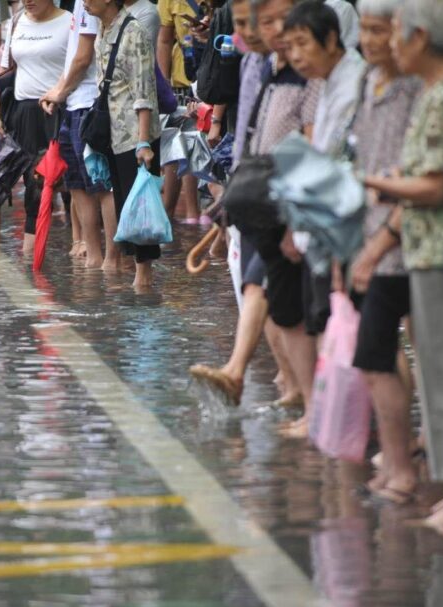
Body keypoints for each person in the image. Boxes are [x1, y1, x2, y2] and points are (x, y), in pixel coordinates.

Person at [363, 0, 443, 530]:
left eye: (396, 33)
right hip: (433, 252)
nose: (391, 44)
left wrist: (373, 182)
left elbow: (434, 186)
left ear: (421, 38)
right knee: (440, 372)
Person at [189, 0, 319, 411]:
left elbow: (313, 142)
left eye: (260, 22)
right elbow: (248, 134)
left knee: (267, 291)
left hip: (289, 199)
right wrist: (234, 195)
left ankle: (244, 371)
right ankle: (289, 383)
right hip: (254, 195)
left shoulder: (309, 74)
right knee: (262, 292)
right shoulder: (255, 65)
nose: (248, 33)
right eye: (243, 24)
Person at [347, 0, 422, 504]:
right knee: (374, 357)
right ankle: (397, 462)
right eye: (367, 31)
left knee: (385, 354)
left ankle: (404, 467)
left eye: (382, 31)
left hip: (405, 246)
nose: (372, 42)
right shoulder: (367, 88)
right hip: (369, 241)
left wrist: (375, 248)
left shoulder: (418, 92)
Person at [277, 0, 364, 438]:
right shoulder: (326, 82)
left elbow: (341, 163)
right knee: (327, 326)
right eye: (288, 45)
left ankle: (357, 426)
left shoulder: (356, 82)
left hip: (345, 232)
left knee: (365, 340)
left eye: (302, 43)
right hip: (322, 228)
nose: (294, 54)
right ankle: (335, 419)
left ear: (333, 40)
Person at [84, 0, 163, 290]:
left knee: (140, 207)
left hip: (135, 136)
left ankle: (144, 279)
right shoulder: (102, 30)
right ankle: (137, 276)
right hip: (114, 136)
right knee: (124, 207)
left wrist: (144, 142)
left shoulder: (134, 32)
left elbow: (144, 91)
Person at [41, 0, 118, 270]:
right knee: (76, 183)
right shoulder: (76, 3)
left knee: (100, 183)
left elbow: (84, 56)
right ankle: (94, 254)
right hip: (73, 102)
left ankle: (111, 258)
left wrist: (60, 92)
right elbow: (74, 54)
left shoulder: (90, 3)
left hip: (90, 102)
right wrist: (59, 91)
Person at [0, 0, 70, 256]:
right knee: (32, 182)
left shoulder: (69, 22)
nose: (28, 1)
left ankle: (78, 239)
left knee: (68, 180)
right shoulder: (16, 21)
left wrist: (58, 94)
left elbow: (79, 66)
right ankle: (31, 250)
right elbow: (5, 74)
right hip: (24, 112)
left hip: (58, 109)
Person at [157, 0, 202, 224]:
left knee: (197, 142)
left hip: (208, 81)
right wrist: (163, 85)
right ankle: (170, 211)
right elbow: (164, 40)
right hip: (180, 82)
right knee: (175, 145)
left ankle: (194, 210)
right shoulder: (169, 2)